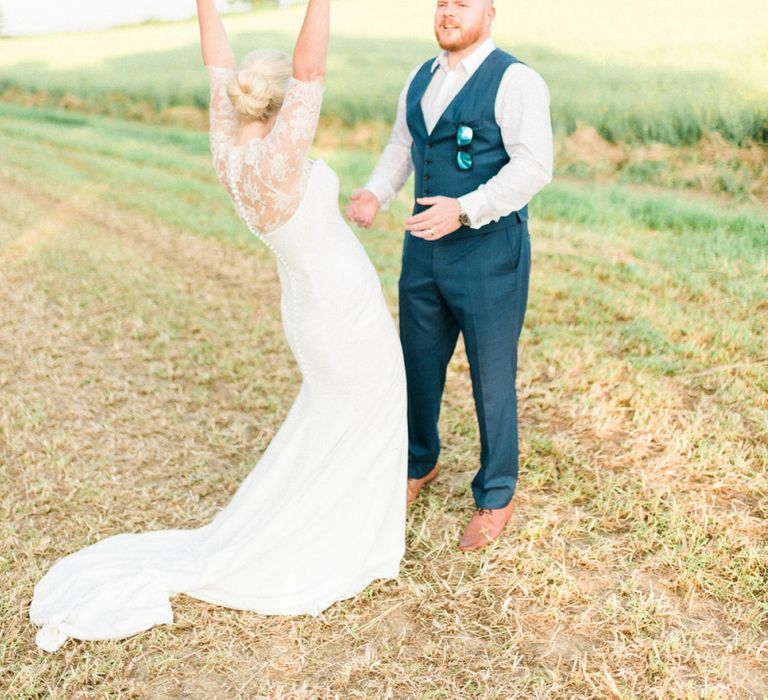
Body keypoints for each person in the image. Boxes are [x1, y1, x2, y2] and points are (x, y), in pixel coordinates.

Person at [29, 0, 408, 652]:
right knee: (369, 415)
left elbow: (216, 63)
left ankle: (335, 525)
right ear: (282, 102)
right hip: (342, 305)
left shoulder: (229, 151)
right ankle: (349, 545)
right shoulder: (281, 157)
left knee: (333, 419)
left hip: (304, 308)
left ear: (240, 101)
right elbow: (311, 65)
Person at [347, 0, 552, 552]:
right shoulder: (420, 76)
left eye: (461, 3)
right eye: (441, 3)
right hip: (423, 252)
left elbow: (534, 165)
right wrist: (377, 191)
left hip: (489, 252)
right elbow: (403, 146)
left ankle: (496, 493)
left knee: (491, 378)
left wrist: (464, 209)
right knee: (416, 364)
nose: (447, 11)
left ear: (489, 12)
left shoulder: (516, 80)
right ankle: (420, 460)